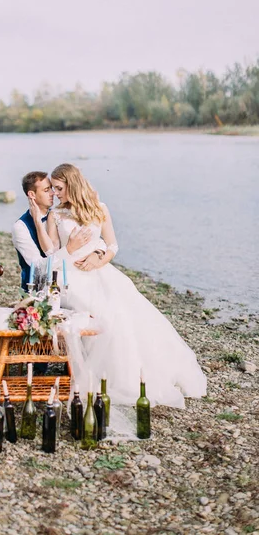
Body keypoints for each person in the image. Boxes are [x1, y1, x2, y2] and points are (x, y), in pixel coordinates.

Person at [29, 163, 207, 409]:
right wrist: (45, 228)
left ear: (72, 184)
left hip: (100, 271)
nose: (56, 193)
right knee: (99, 311)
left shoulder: (99, 208)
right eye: (54, 189)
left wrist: (98, 257)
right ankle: (99, 371)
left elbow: (112, 245)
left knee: (124, 307)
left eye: (59, 188)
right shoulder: (57, 215)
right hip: (70, 275)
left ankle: (133, 373)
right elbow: (50, 252)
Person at [11, 171, 105, 291]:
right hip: (37, 292)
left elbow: (93, 236)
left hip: (69, 283)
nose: (53, 193)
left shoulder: (60, 215)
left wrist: (97, 253)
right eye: (46, 190)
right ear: (32, 194)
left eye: (52, 188)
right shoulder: (21, 227)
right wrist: (69, 249)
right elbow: (39, 268)